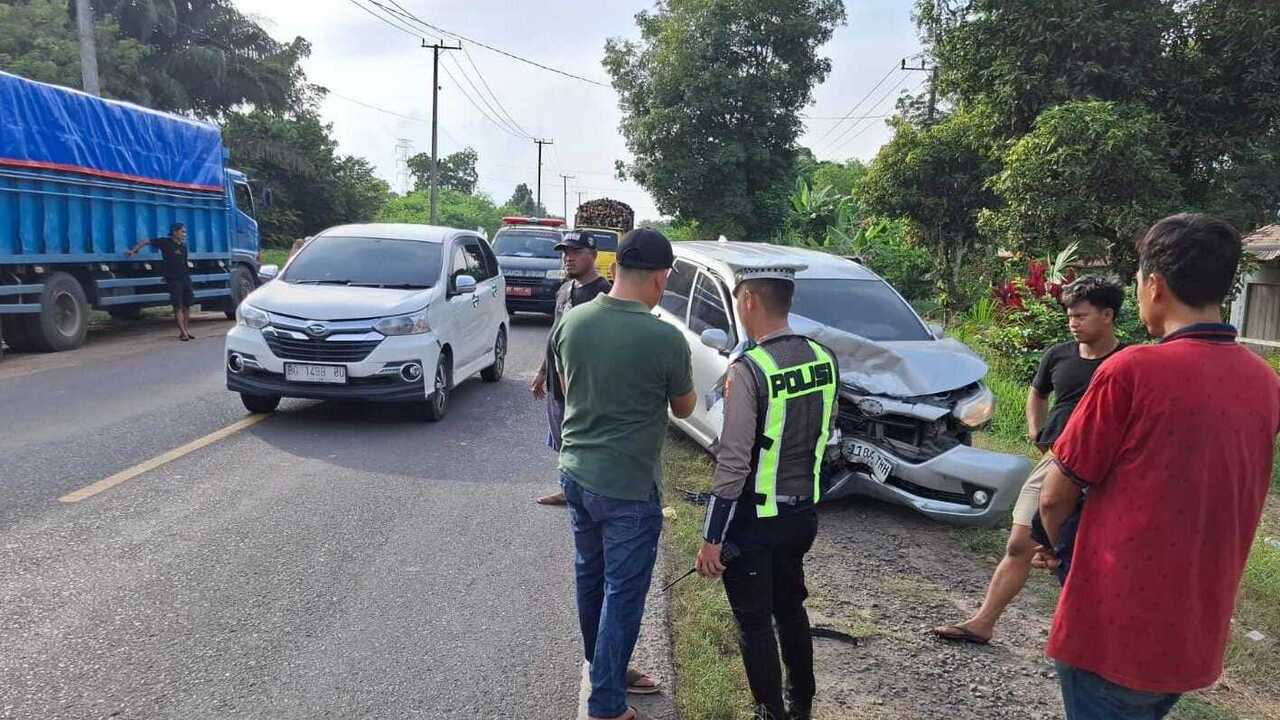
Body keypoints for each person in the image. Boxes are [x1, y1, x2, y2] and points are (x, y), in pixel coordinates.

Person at [1038, 214, 1280, 720]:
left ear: (1154, 286)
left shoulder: (1131, 370)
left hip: (1112, 628)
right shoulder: (1265, 381)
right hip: (1192, 636)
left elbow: (1055, 494)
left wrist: (1064, 554)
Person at [932, 276, 1126, 644]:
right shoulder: (1059, 354)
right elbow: (1037, 393)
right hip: (1056, 460)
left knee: (1088, 557)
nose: (1073, 322)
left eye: (1081, 315)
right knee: (1020, 544)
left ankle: (1093, 641)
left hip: (1104, 471)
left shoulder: (1128, 361)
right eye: (1070, 315)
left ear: (1107, 315)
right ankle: (982, 622)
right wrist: (1036, 430)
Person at [553, 228, 697, 720]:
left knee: (590, 577)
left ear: (615, 269)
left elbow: (567, 386)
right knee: (624, 593)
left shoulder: (573, 321)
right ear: (660, 278)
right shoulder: (664, 337)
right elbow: (684, 406)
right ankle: (607, 705)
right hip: (629, 487)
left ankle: (604, 669)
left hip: (576, 473)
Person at [694, 263, 839, 720]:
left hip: (756, 521)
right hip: (803, 517)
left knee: (754, 622)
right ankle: (801, 706)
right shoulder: (823, 357)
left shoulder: (749, 369)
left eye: (738, 299)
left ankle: (769, 712)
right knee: (791, 609)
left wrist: (712, 536)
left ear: (750, 300)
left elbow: (733, 461)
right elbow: (829, 435)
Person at [532, 231, 612, 506]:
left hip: (586, 383)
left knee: (585, 438)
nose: (568, 258)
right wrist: (543, 371)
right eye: (565, 252)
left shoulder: (605, 293)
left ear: (593, 256)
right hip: (558, 379)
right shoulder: (564, 290)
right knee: (563, 439)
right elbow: (555, 333)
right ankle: (568, 488)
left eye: (576, 252)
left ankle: (592, 491)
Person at [126, 223, 195, 341]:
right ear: (174, 232)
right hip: (173, 280)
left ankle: (186, 330)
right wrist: (134, 250)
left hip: (185, 279)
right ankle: (183, 332)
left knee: (187, 306)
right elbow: (146, 241)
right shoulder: (165, 243)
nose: (184, 234)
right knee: (177, 306)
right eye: (182, 232)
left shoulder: (183, 247)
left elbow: (183, 263)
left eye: (185, 232)